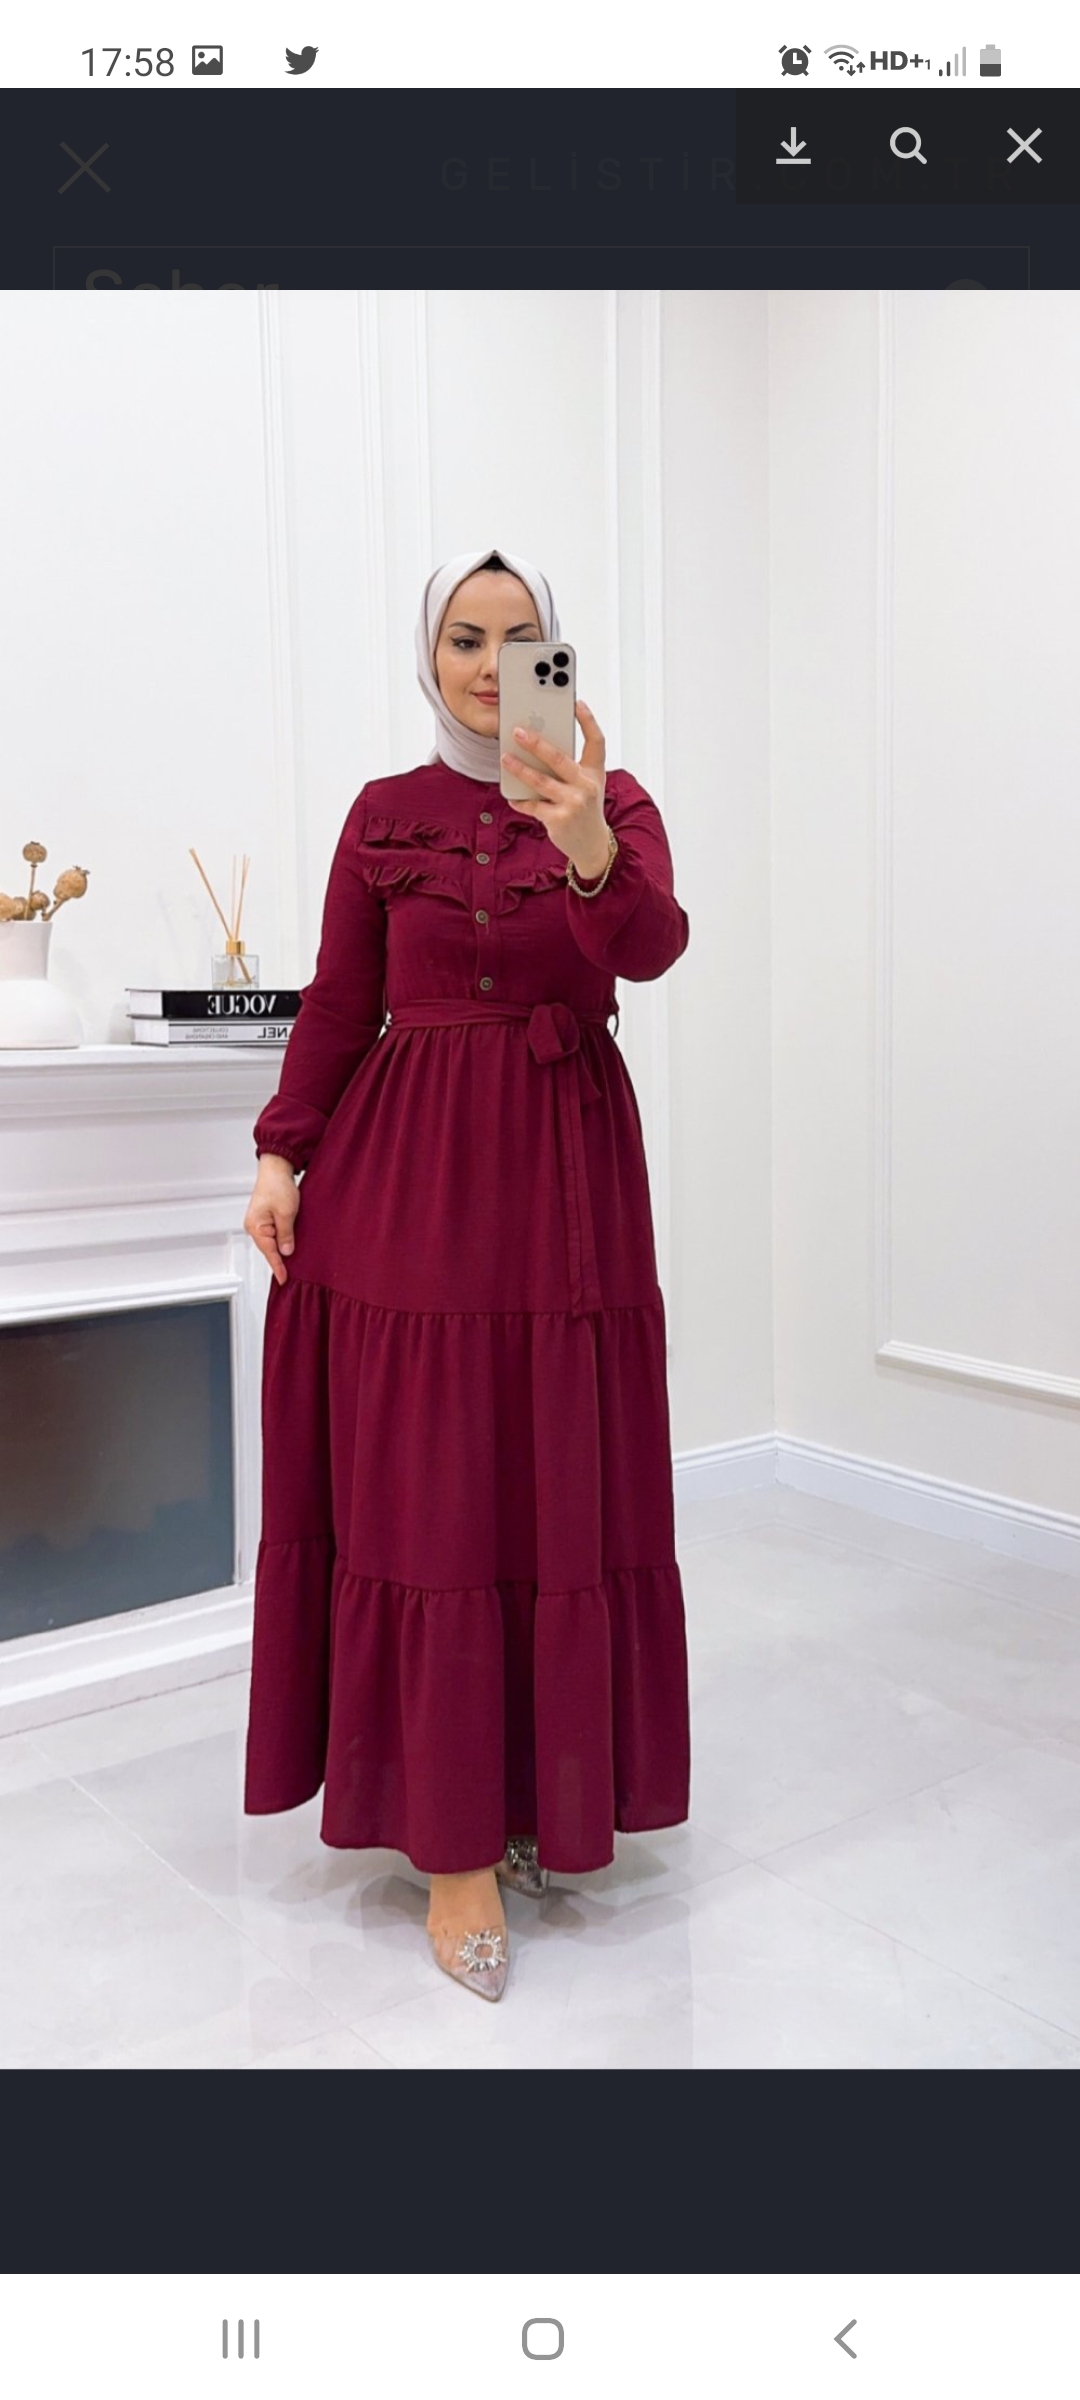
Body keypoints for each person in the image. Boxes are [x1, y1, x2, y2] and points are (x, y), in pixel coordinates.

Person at [242, 545, 691, 2004]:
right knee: (433, 1495)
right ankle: (451, 1849)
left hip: (564, 1187)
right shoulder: (384, 813)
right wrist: (282, 1152)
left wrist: (586, 839)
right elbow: (339, 999)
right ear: (428, 658)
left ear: (560, 652)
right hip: (410, 1188)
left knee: (553, 1482)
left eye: (522, 637)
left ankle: (542, 1792)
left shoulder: (613, 800)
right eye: (463, 639)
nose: (494, 668)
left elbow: (651, 951)